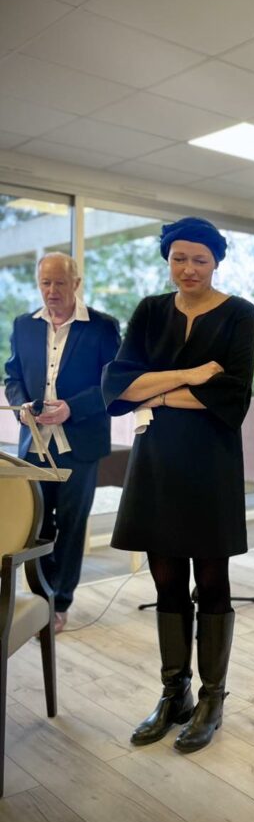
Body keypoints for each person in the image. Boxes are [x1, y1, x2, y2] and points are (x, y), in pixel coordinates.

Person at [102, 217, 254, 753]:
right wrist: (189, 378)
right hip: (157, 462)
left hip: (211, 463)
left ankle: (212, 698)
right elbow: (117, 384)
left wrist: (154, 391)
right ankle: (175, 695)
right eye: (179, 258)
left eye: (200, 259)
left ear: (216, 262)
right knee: (166, 579)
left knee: (212, 580)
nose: (189, 269)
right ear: (168, 260)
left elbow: (233, 396)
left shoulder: (239, 313)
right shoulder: (150, 310)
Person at [5, 253, 120, 631]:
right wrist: (21, 404)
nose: (51, 291)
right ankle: (40, 597)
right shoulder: (24, 325)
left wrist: (73, 408)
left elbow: (113, 383)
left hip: (80, 444)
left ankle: (60, 602)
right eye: (45, 283)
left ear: (76, 283)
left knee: (71, 524)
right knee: (36, 524)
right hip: (34, 444)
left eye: (59, 283)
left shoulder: (102, 327)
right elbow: (13, 376)